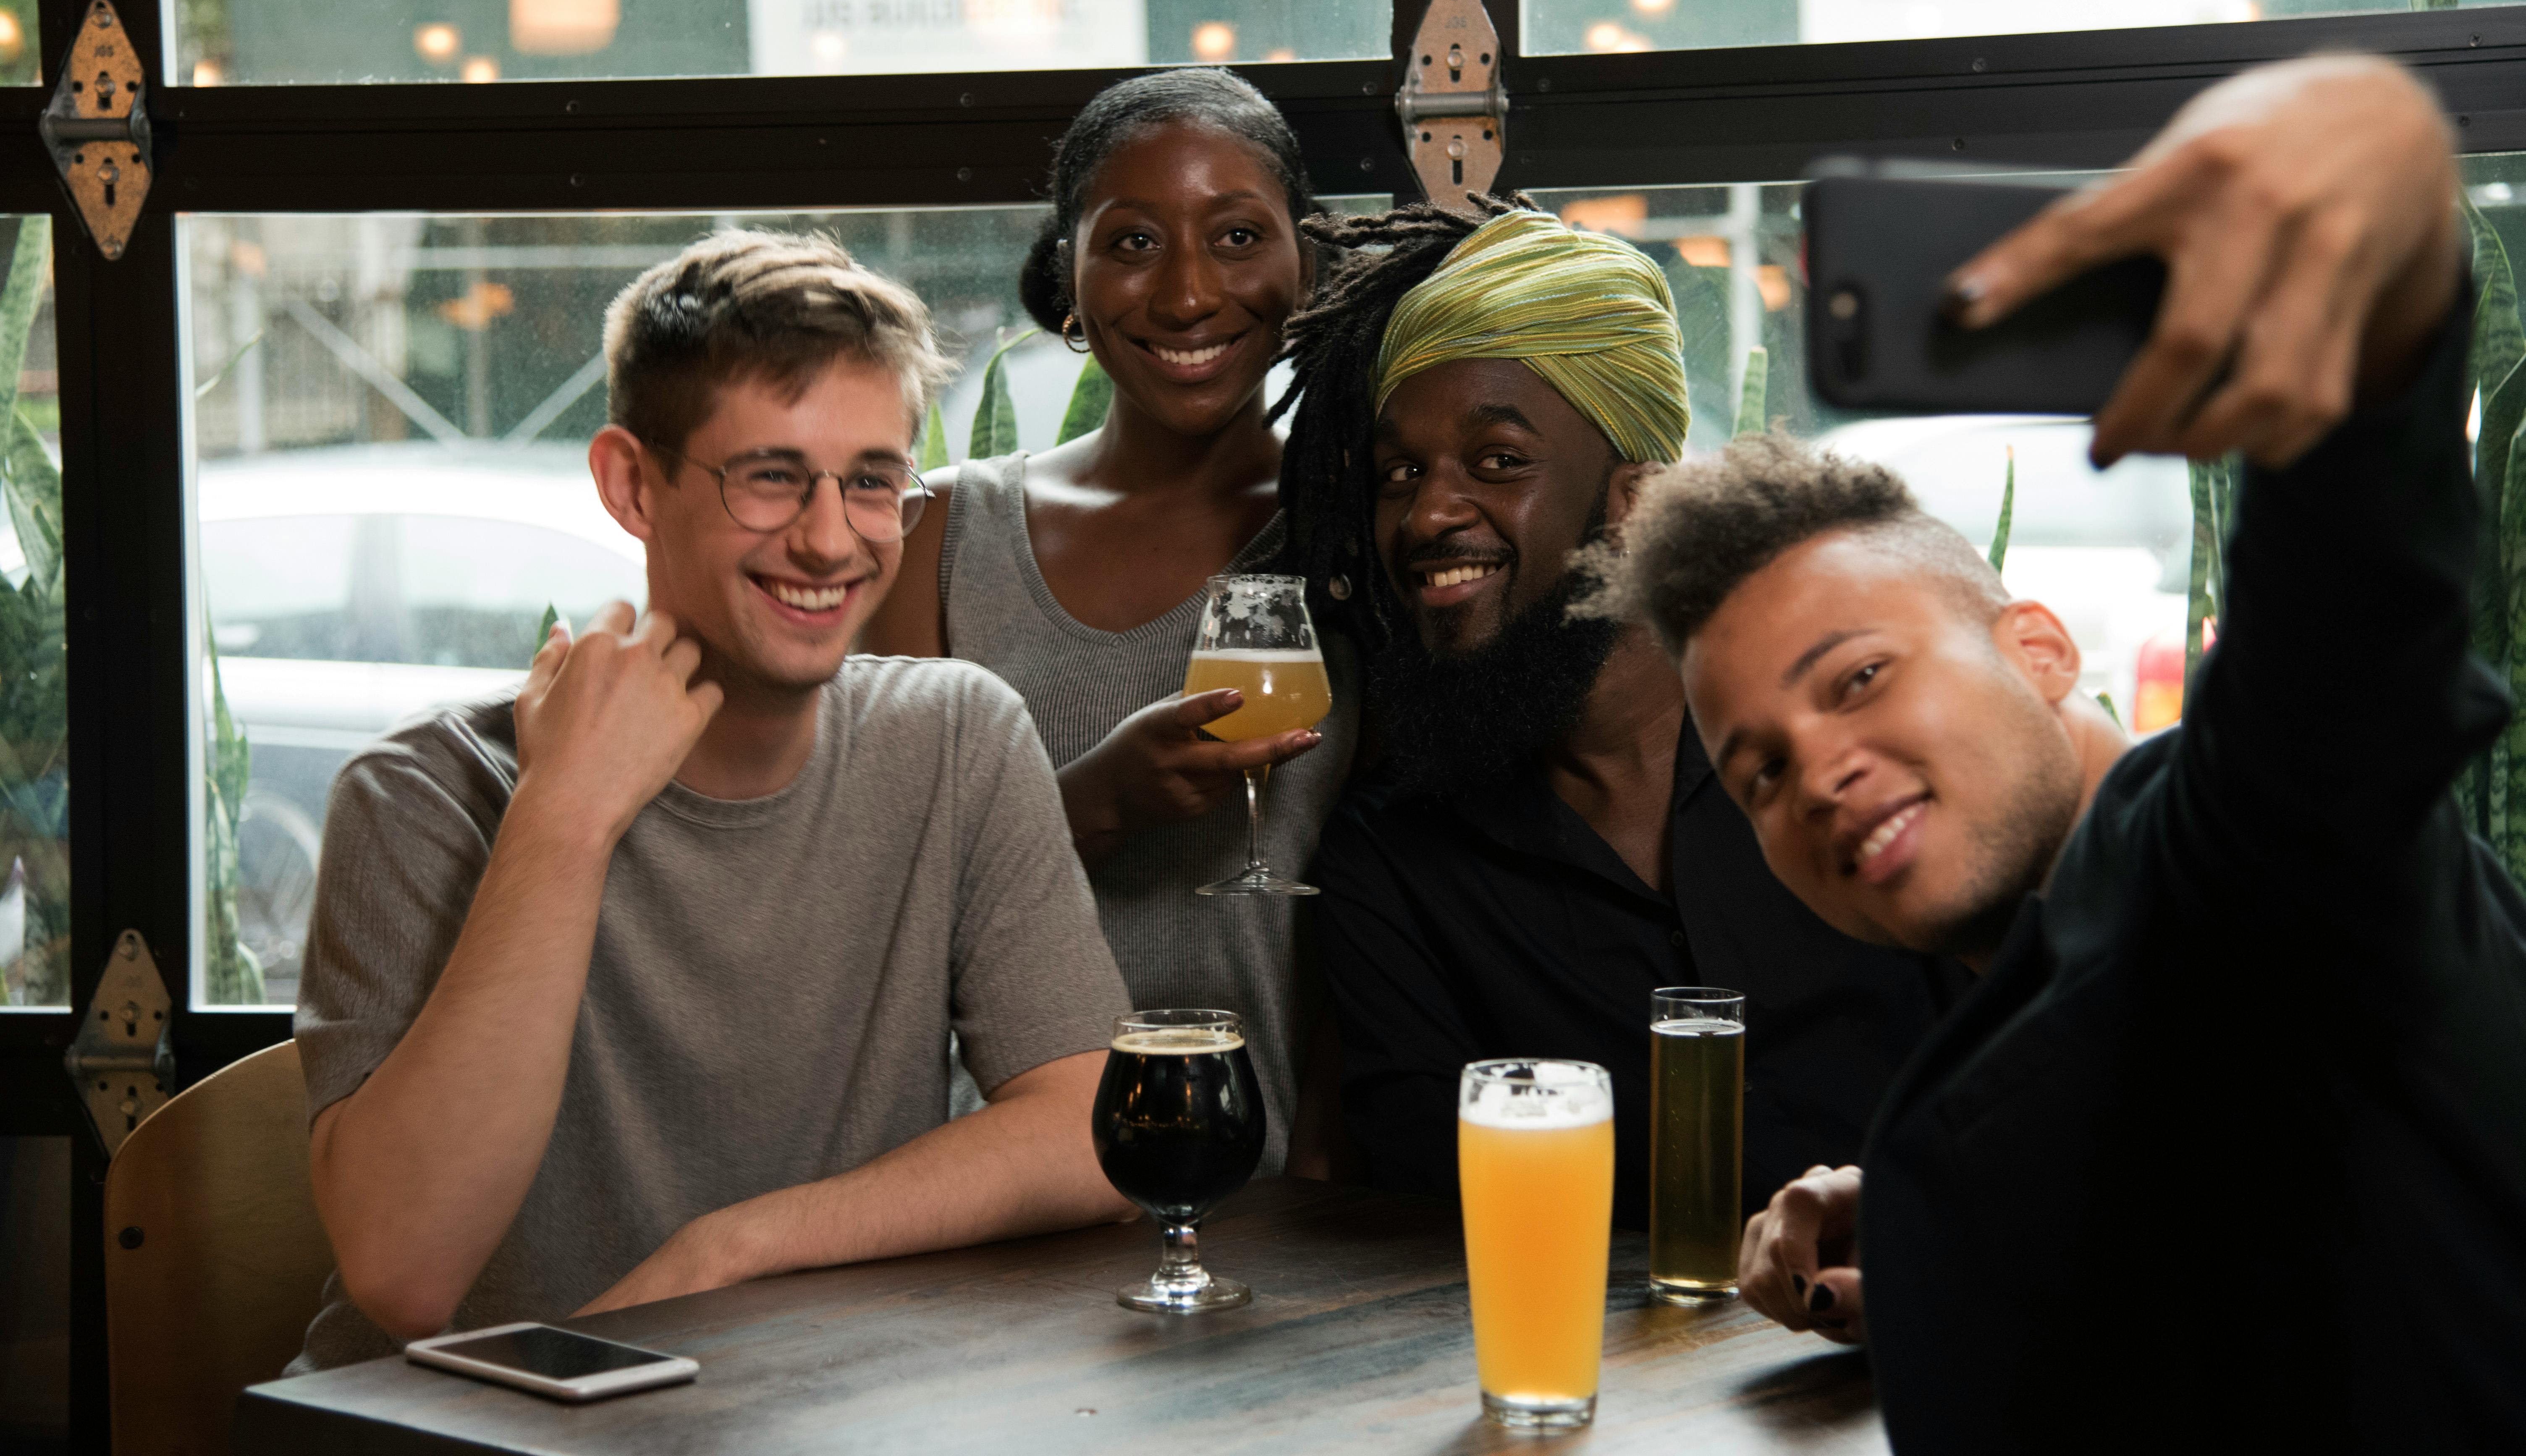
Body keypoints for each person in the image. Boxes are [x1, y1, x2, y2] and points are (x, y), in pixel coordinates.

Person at [1598, 56, 2526, 1448]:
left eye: (1856, 676)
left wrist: (2370, 155)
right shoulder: (2048, 988)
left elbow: (2345, 619)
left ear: (2037, 649)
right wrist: (1924, 1230)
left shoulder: (2225, 852)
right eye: (1759, 772)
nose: (1819, 772)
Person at [289, 230, 1136, 1370]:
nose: (831, 539)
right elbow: (404, 1270)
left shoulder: (956, 739)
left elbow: (1095, 1129)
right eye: (771, 475)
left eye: (873, 480)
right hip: (468, 1433)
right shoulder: (420, 794)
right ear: (632, 484)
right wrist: (568, 813)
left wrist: (731, 1252)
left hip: (786, 1414)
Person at [1274, 198, 1967, 1228]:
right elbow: (1430, 1213)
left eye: (1498, 461)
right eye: (1401, 474)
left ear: (1635, 502)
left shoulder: (1856, 759)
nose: (1427, 514)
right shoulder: (1393, 865)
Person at [862, 68, 1357, 1176]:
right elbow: (864, 914)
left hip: (1293, 1210)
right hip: (989, 1205)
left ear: (1308, 268)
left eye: (1238, 237)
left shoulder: (1366, 541)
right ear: (1069, 281)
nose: (1188, 295)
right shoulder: (942, 535)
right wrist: (1087, 805)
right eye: (1132, 245)